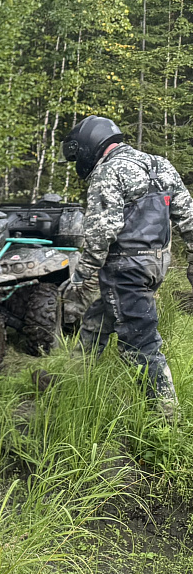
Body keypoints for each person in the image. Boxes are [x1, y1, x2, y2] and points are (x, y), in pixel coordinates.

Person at [60, 115, 193, 415]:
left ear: (89, 145)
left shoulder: (108, 171)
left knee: (140, 343)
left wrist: (81, 275)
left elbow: (100, 233)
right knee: (97, 321)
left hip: (125, 267)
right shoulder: (160, 164)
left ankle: (166, 418)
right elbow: (188, 216)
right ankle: (71, 379)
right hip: (155, 263)